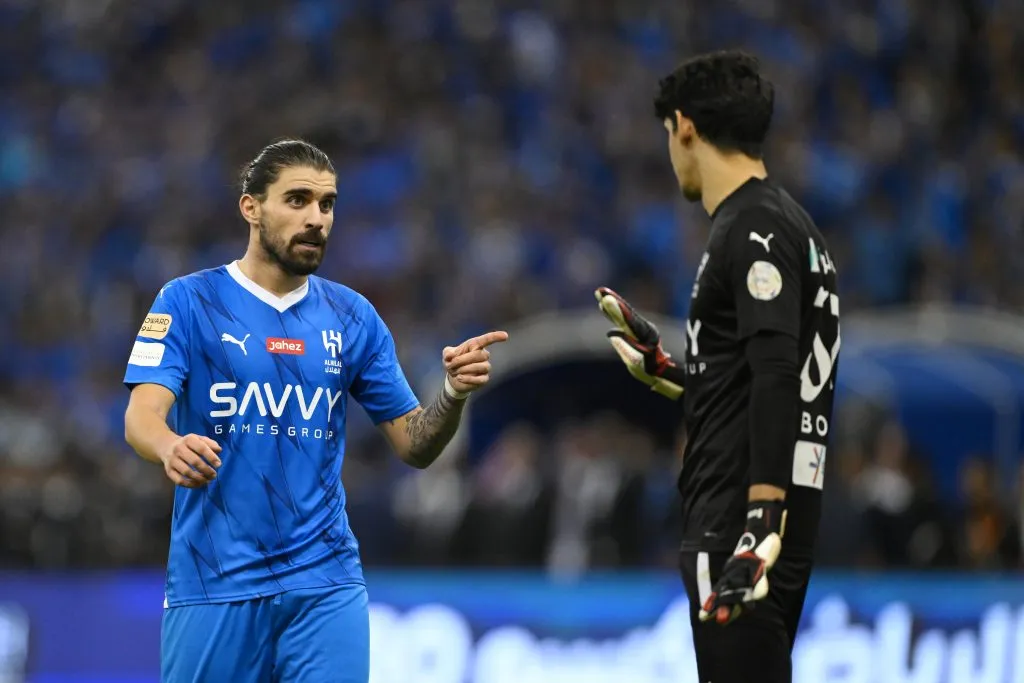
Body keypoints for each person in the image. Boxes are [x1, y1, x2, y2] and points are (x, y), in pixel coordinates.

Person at [123, 138, 507, 683]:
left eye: (327, 204)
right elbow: (140, 417)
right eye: (297, 200)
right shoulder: (187, 301)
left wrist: (452, 393)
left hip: (325, 582)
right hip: (215, 582)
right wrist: (169, 445)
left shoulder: (353, 316)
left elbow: (416, 445)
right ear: (250, 207)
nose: (316, 218)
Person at [595, 50, 840, 682]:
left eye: (667, 138)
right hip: (781, 516)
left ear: (684, 127)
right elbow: (754, 371)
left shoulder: (748, 227)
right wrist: (674, 372)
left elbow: (778, 372)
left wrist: (760, 518)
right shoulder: (795, 226)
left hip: (737, 521)